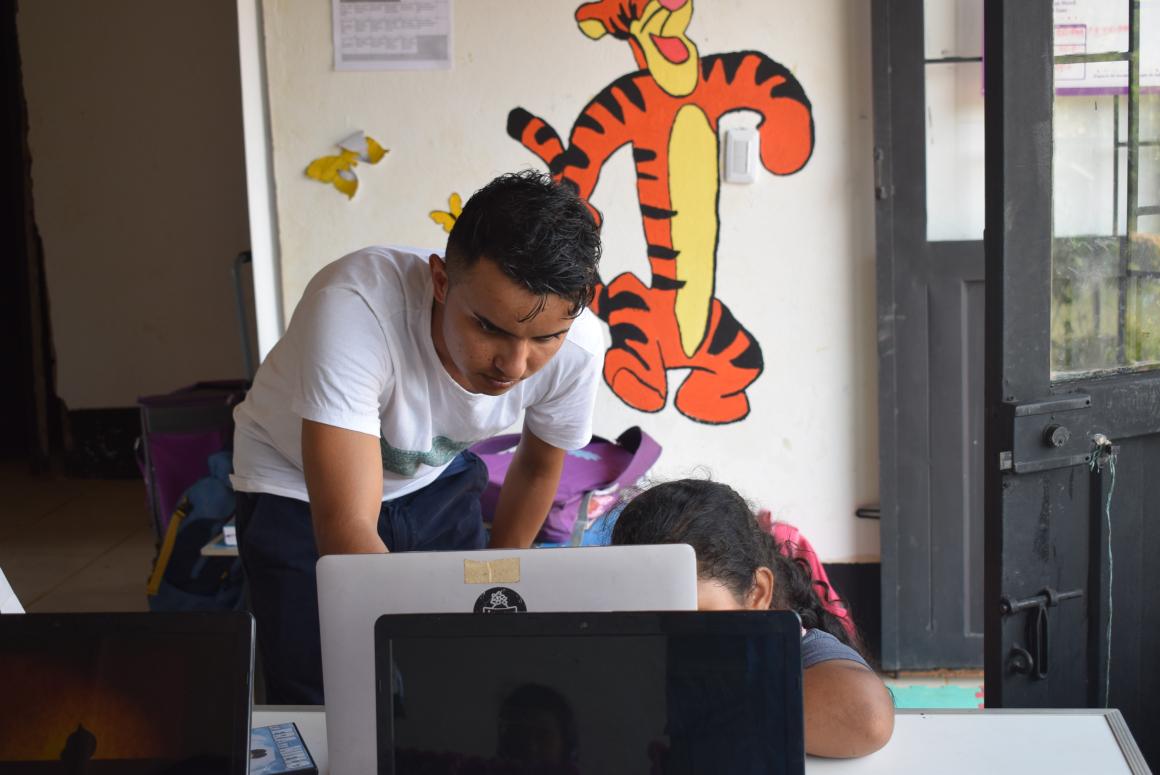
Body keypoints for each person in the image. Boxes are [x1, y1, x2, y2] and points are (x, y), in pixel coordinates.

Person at [230, 170, 604, 704]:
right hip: (294, 483)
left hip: (433, 477)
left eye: (545, 338)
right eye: (489, 328)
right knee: (327, 686)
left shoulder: (580, 347)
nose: (515, 365)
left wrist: (496, 594)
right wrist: (405, 651)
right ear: (441, 281)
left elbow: (538, 467)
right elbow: (345, 526)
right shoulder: (354, 308)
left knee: (457, 676)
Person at [610, 479, 895, 758]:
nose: (673, 638)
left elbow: (870, 719)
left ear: (757, 593)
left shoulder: (801, 651)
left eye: (696, 618)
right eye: (650, 616)